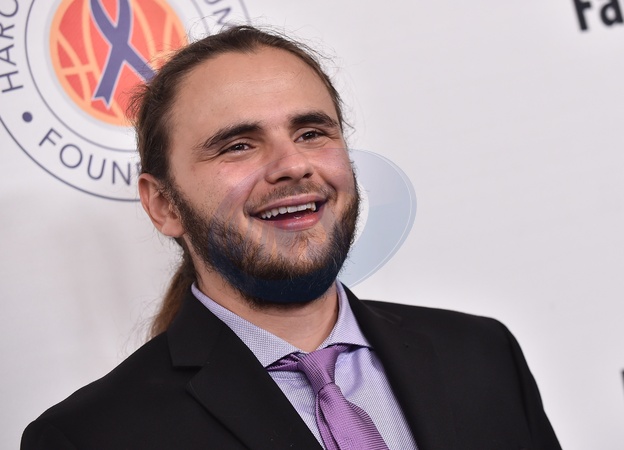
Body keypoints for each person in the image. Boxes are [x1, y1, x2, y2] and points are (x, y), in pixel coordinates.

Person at [21, 26, 561, 450]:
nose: (293, 165)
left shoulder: (481, 354)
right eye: (238, 145)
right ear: (164, 204)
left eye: (311, 133)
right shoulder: (91, 437)